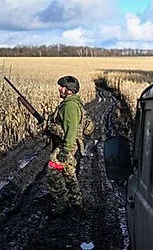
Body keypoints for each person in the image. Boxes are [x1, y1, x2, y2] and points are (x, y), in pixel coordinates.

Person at [45, 75, 94, 214]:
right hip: (72, 145)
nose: (59, 89)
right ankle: (77, 202)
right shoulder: (74, 104)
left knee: (53, 172)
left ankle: (63, 203)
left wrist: (65, 151)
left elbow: (71, 129)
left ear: (69, 90)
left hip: (68, 145)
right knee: (68, 173)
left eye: (62, 86)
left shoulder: (69, 106)